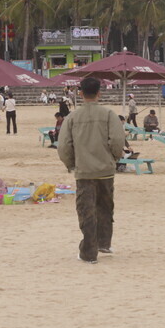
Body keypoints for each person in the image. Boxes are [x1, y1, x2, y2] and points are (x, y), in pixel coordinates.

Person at [57, 76, 126, 264]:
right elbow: (118, 141)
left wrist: (72, 164)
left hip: (84, 171)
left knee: (86, 210)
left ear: (80, 93)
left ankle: (89, 252)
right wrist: (113, 158)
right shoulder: (109, 114)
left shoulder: (72, 117)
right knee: (105, 207)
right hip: (106, 169)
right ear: (99, 93)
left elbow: (63, 146)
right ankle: (104, 242)